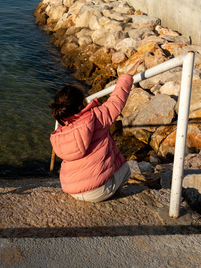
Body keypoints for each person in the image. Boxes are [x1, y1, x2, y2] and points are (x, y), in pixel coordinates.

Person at [49, 61, 142, 202]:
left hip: (71, 189)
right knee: (126, 169)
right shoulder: (96, 117)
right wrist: (127, 76)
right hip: (98, 191)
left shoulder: (60, 130)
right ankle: (113, 192)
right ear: (82, 103)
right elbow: (116, 100)